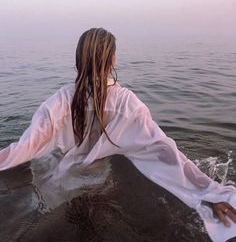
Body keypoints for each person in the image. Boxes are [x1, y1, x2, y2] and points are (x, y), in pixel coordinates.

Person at [0, 28, 236, 242]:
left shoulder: (58, 102)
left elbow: (24, 148)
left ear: (78, 59)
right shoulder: (127, 103)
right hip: (99, 179)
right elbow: (164, 150)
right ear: (113, 59)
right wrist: (212, 192)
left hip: (63, 179)